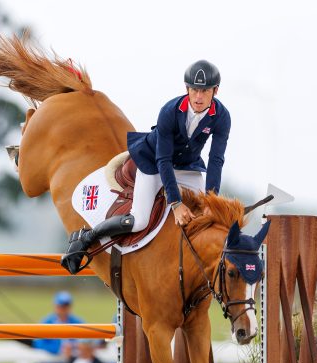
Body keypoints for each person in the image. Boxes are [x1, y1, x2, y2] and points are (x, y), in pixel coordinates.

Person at [61, 60, 231, 273]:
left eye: (204, 91)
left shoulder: (222, 116)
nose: (198, 97)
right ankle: (86, 237)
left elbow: (216, 160)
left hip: (187, 166)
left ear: (215, 91)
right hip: (154, 162)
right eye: (194, 90)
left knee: (204, 216)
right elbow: (163, 160)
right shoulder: (169, 111)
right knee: (139, 220)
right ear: (186, 88)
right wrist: (176, 203)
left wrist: (211, 200)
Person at [32, 291, 84, 358]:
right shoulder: (47, 322)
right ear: (55, 306)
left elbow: (86, 341)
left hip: (73, 358)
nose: (63, 309)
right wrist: (60, 349)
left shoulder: (77, 322)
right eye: (61, 306)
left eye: (66, 306)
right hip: (51, 358)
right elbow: (38, 344)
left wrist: (73, 347)